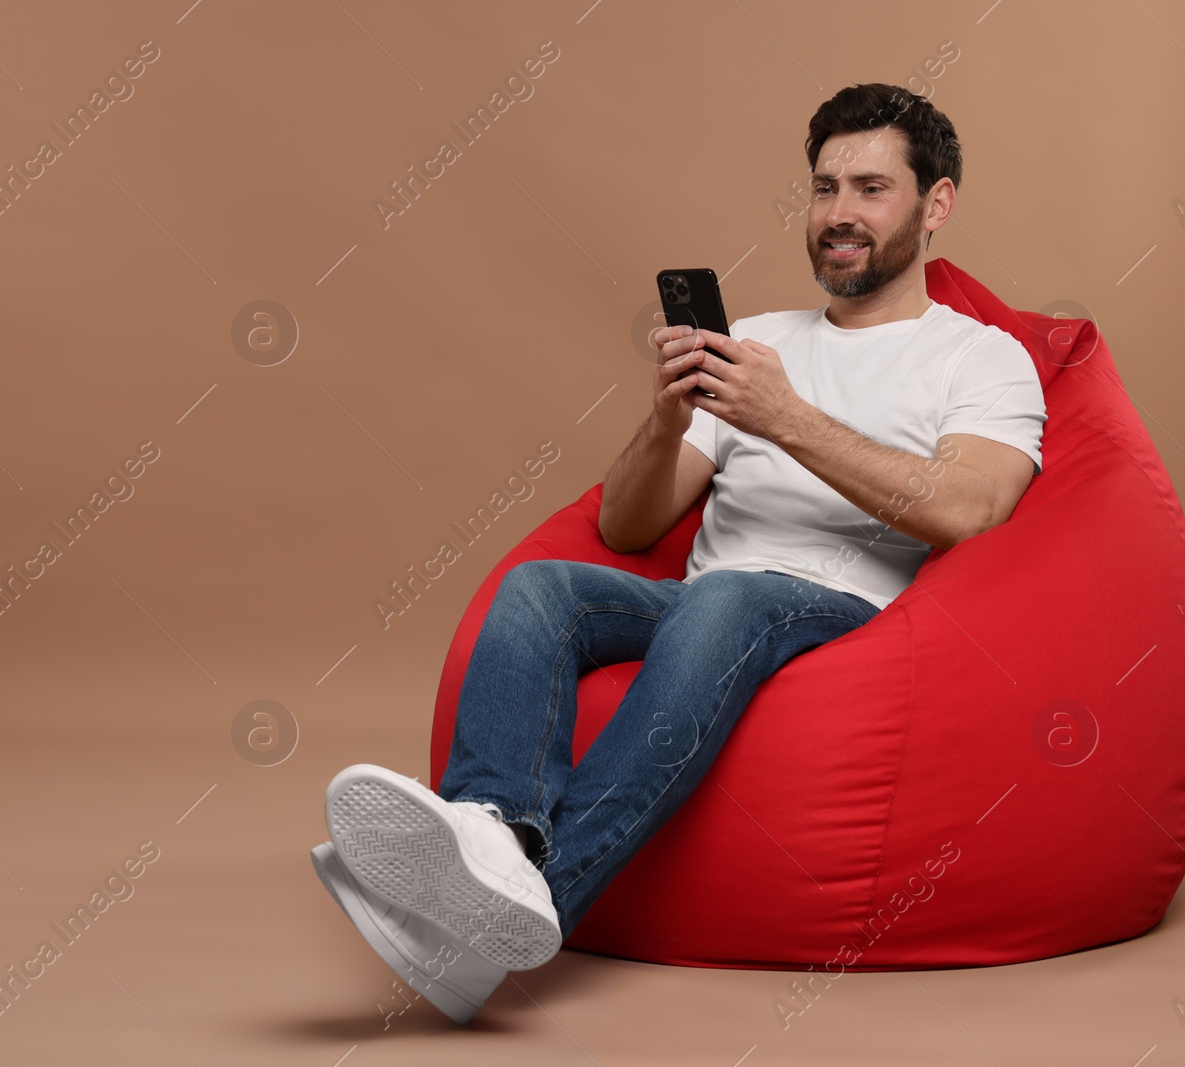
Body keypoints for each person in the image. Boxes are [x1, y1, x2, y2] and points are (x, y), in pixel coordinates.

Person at [310, 82, 1046, 1026]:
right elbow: (625, 528)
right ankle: (491, 830)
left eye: (871, 188)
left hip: (842, 615)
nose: (839, 216)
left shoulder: (978, 358)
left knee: (731, 594)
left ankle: (531, 897)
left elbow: (970, 509)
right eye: (824, 189)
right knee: (542, 588)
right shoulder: (757, 341)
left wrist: (787, 418)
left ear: (935, 203)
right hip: (706, 607)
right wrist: (668, 421)